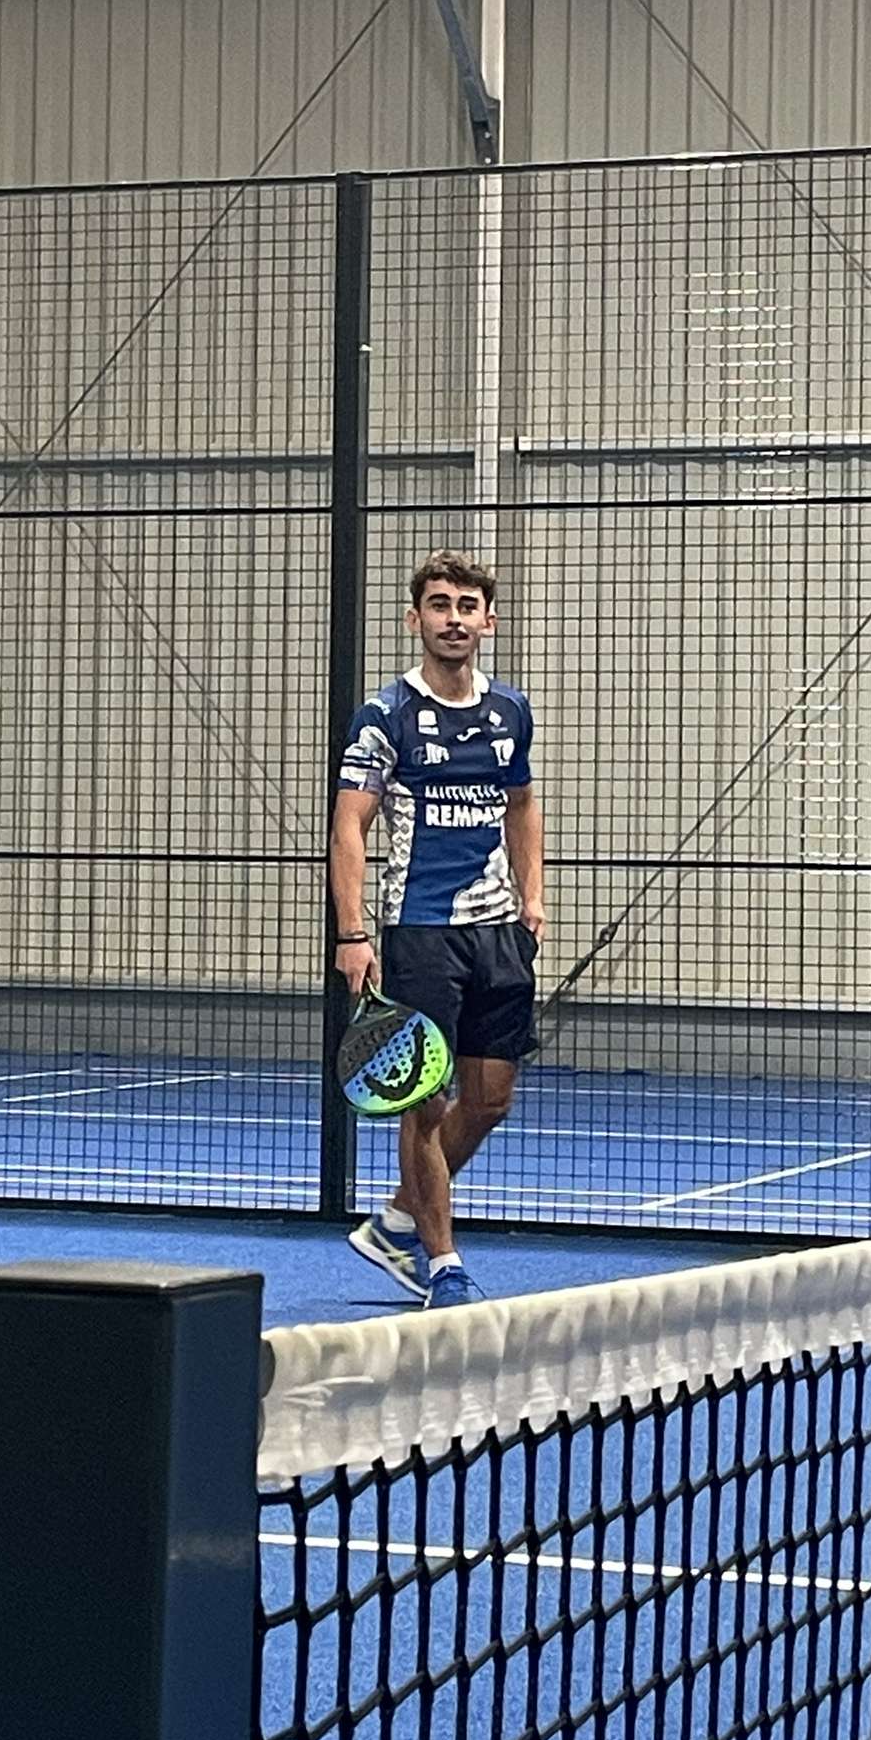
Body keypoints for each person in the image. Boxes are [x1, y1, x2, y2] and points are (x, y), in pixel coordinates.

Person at [330, 551, 545, 1310]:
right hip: (419, 930)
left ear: (489, 621)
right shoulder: (384, 716)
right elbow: (350, 828)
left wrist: (533, 898)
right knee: (425, 1101)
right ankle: (442, 1262)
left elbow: (521, 804)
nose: (454, 619)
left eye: (466, 606)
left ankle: (397, 1220)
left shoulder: (510, 711)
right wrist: (352, 934)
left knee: (488, 1101)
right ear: (415, 618)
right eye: (440, 605)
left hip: (499, 934)